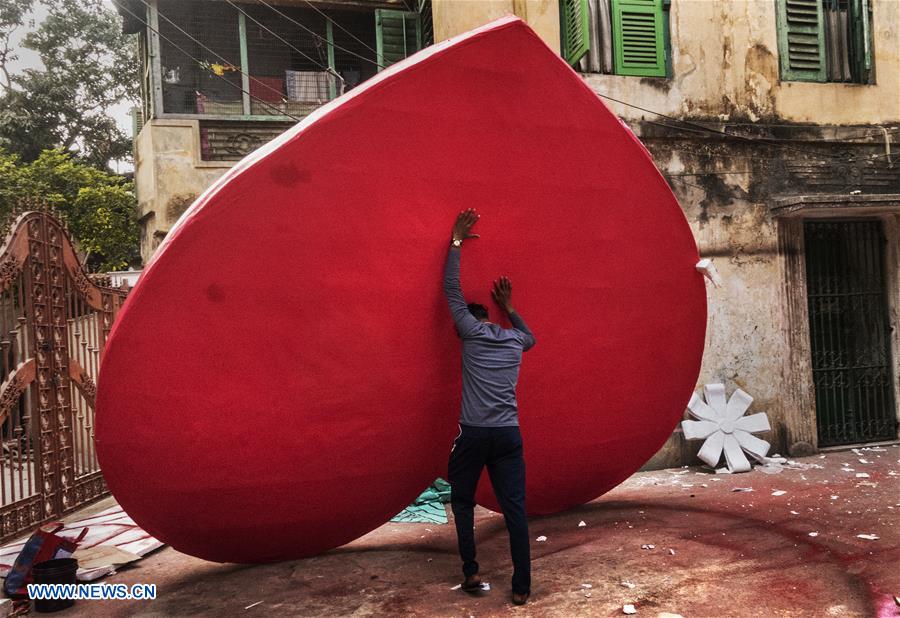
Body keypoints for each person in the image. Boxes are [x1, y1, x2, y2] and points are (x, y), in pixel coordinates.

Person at [443, 208, 536, 606]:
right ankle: (522, 587)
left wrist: (456, 241)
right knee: (515, 510)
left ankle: (472, 572)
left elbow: (450, 289)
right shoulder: (515, 341)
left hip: (474, 433)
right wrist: (509, 306)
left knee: (462, 501)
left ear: (470, 321)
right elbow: (530, 335)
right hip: (508, 436)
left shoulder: (468, 331)